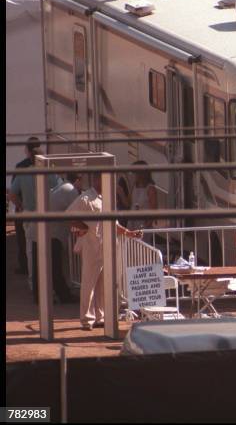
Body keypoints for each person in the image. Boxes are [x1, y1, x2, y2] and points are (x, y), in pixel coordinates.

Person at [68, 173, 142, 330]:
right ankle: (87, 319)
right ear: (95, 179)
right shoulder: (85, 198)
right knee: (89, 283)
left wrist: (129, 233)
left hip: (107, 247)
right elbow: (69, 216)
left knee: (103, 283)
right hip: (92, 247)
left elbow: (113, 223)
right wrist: (82, 228)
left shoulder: (107, 199)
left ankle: (100, 316)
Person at [8, 137, 62, 301]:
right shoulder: (50, 172)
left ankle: (34, 285)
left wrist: (22, 206)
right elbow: (59, 188)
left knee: (32, 251)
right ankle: (50, 284)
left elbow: (12, 194)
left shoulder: (23, 173)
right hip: (47, 216)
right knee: (50, 250)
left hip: (30, 216)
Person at [48, 173, 82, 303]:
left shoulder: (61, 186)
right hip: (55, 233)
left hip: (51, 232)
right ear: (77, 180)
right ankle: (63, 295)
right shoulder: (71, 190)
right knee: (56, 266)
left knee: (54, 265)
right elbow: (78, 212)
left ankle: (61, 292)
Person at [10, 138, 40, 275]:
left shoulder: (21, 167)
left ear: (27, 150)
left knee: (23, 241)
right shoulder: (47, 165)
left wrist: (20, 206)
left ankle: (25, 267)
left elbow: (13, 193)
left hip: (25, 210)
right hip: (43, 210)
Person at [127, 160, 157, 233]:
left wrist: (148, 224)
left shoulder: (150, 188)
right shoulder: (134, 186)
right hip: (132, 222)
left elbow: (153, 207)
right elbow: (129, 203)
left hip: (143, 223)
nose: (133, 175)